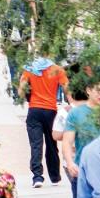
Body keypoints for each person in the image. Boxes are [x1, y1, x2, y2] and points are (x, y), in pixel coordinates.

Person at [19, 55, 72, 188]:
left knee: (36, 145)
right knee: (51, 144)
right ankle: (54, 177)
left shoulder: (30, 69)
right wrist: (72, 104)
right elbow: (66, 89)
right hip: (50, 111)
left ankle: (37, 177)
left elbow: (21, 90)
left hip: (34, 111)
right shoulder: (58, 70)